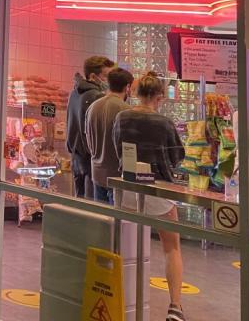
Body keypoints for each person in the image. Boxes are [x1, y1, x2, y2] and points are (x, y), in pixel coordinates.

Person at [113, 72, 187, 321]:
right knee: (171, 247)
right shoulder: (163, 122)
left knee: (125, 246)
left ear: (135, 93)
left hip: (128, 187)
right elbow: (177, 155)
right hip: (157, 189)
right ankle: (175, 307)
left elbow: (117, 148)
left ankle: (120, 298)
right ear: (159, 96)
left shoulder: (122, 117)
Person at [66, 55, 114, 198]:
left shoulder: (74, 93)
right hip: (90, 159)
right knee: (91, 207)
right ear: (93, 76)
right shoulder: (96, 96)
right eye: (106, 76)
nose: (108, 81)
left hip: (76, 156)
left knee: (79, 203)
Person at [85, 67, 133, 204]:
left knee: (100, 221)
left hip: (97, 173)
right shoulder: (126, 111)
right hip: (117, 176)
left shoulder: (92, 107)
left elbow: (88, 141)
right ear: (127, 87)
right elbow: (128, 148)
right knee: (116, 222)